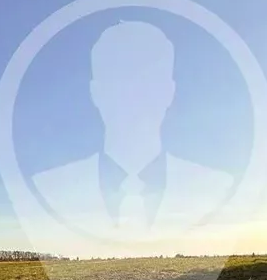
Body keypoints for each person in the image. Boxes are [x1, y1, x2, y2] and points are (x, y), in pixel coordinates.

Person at [31, 21, 233, 241]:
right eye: (119, 81)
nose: (133, 98)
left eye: (147, 82)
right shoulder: (50, 186)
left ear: (169, 91)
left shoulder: (215, 184)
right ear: (96, 92)